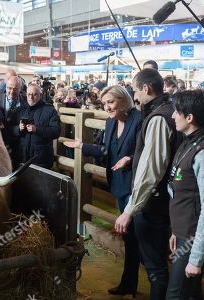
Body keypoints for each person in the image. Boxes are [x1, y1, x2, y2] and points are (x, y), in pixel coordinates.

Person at [64, 85, 142, 297]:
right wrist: (82, 146)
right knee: (129, 236)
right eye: (105, 103)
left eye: (111, 102)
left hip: (136, 187)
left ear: (123, 101)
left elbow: (148, 154)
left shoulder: (139, 119)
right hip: (118, 185)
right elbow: (107, 151)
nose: (107, 107)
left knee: (136, 236)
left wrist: (130, 159)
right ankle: (129, 283)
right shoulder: (110, 121)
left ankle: (135, 282)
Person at [115, 68, 181, 299]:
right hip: (164, 199)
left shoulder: (159, 117)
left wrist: (131, 209)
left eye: (135, 90)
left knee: (155, 268)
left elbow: (152, 168)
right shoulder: (170, 110)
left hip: (153, 202)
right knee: (156, 263)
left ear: (146, 88)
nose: (135, 96)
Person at [166, 90, 204, 299]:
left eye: (176, 112)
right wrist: (176, 231)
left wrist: (196, 258)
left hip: (194, 237)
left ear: (189, 118)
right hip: (185, 231)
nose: (173, 116)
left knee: (176, 294)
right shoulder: (189, 140)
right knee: (190, 294)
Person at [14, 84, 60, 169]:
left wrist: (37, 129)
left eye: (34, 94)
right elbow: (10, 129)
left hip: (41, 159)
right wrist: (18, 129)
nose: (31, 97)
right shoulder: (20, 110)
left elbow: (56, 132)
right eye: (28, 94)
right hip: (22, 157)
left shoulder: (50, 110)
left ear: (40, 95)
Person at [0, 76, 27, 167]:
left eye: (15, 89)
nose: (12, 91)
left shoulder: (26, 101)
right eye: (9, 88)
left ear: (20, 89)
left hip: (19, 142)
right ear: (5, 87)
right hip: (1, 141)